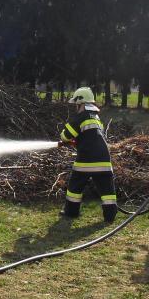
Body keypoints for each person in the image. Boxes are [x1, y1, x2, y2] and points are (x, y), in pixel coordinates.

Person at [58, 87, 117, 222]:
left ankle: (71, 212)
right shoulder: (96, 118)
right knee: (107, 190)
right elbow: (92, 137)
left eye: (76, 105)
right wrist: (79, 141)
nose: (76, 107)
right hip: (104, 159)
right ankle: (110, 216)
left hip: (86, 160)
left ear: (81, 103)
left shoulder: (81, 117)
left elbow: (65, 136)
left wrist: (69, 139)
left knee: (75, 187)